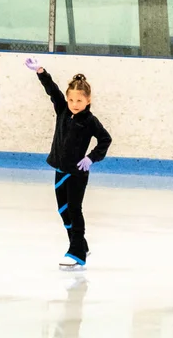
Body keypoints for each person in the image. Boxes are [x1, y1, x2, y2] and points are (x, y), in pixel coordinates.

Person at [24, 58, 112, 269]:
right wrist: (41, 72)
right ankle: (80, 244)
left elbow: (105, 139)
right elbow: (52, 90)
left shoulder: (90, 121)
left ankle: (76, 252)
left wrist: (91, 158)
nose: (74, 105)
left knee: (74, 209)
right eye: (71, 100)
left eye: (79, 101)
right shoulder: (63, 110)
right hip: (59, 169)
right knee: (63, 209)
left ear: (88, 101)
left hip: (77, 173)